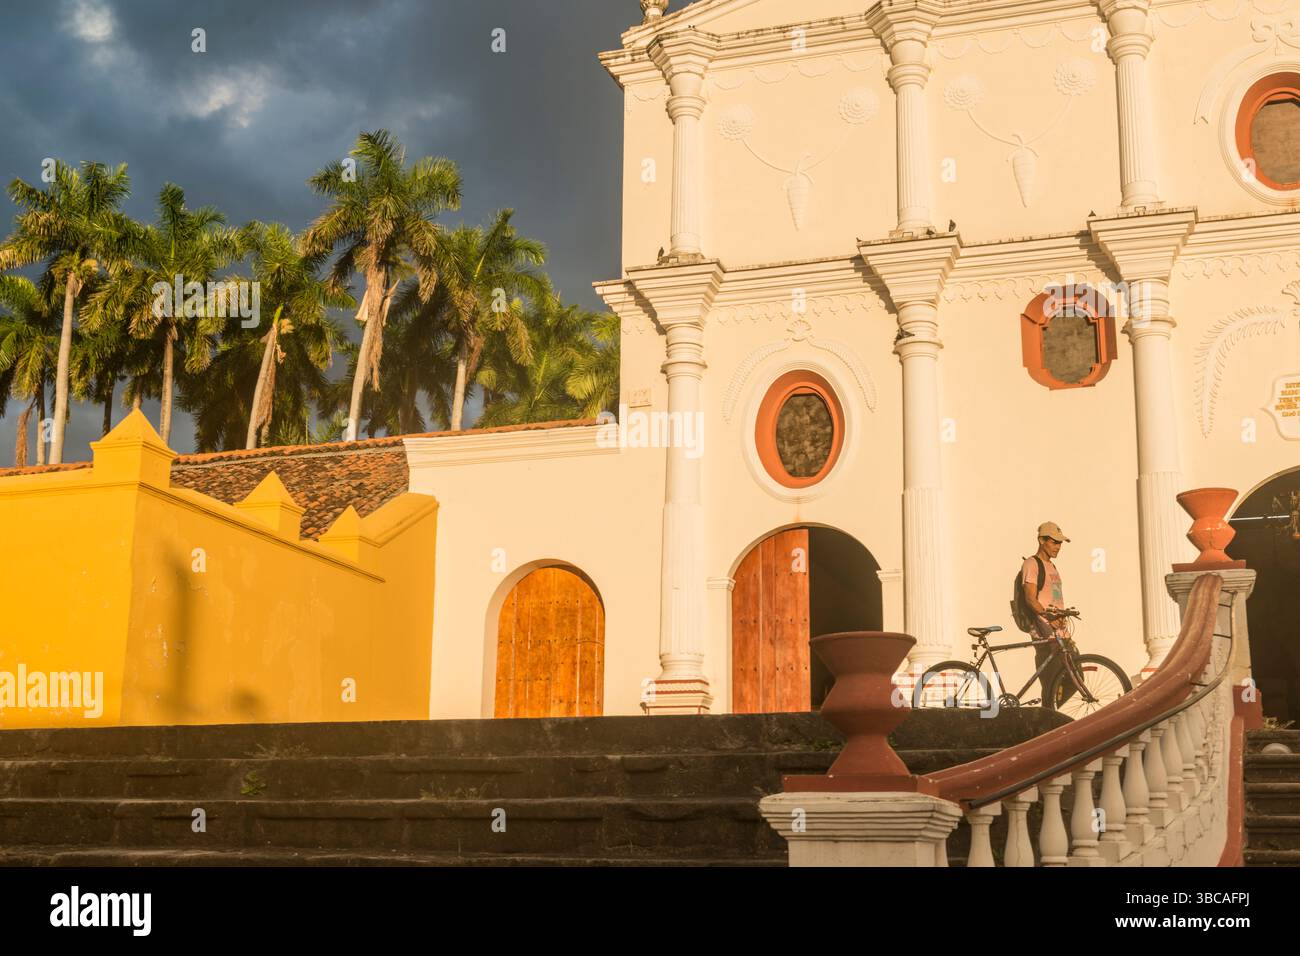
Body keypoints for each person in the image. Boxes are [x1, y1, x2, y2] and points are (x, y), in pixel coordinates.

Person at [1020, 521, 1077, 707]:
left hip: (1059, 632)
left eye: (1060, 543)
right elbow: (1030, 598)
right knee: (1051, 680)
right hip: (1043, 630)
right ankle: (1047, 718)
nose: (1058, 547)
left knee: (1076, 676)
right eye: (1054, 542)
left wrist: (1062, 615)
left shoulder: (1052, 566)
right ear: (1041, 540)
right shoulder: (1032, 564)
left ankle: (1049, 711)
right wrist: (1048, 618)